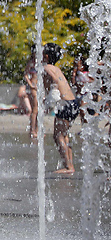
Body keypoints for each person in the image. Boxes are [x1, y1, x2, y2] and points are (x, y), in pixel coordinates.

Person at [40, 43, 79, 174]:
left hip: (64, 103)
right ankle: (69, 165)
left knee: (58, 136)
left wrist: (51, 98)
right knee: (64, 135)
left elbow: (53, 82)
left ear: (45, 56)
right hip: (72, 102)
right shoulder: (56, 68)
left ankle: (68, 167)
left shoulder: (46, 68)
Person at [24, 44, 39, 139]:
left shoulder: (41, 62)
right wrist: (31, 85)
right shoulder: (32, 62)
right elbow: (25, 74)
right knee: (35, 109)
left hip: (39, 88)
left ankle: (37, 129)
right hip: (33, 88)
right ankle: (32, 130)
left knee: (39, 110)